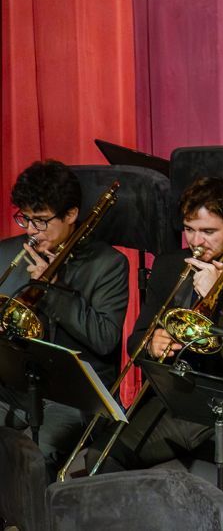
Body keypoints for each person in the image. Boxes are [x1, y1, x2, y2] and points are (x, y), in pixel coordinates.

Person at [88, 177, 223, 481]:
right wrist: (151, 344)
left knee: (201, 489)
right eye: (189, 229)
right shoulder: (169, 265)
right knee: (100, 458)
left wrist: (218, 298)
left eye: (208, 232)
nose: (196, 242)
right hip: (178, 401)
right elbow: (136, 341)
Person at [0, 160, 129, 478]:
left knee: (32, 460)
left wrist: (53, 290)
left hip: (72, 398)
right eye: (25, 218)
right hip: (13, 385)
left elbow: (105, 338)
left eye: (41, 220)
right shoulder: (6, 253)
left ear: (71, 215)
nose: (31, 231)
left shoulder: (108, 264)